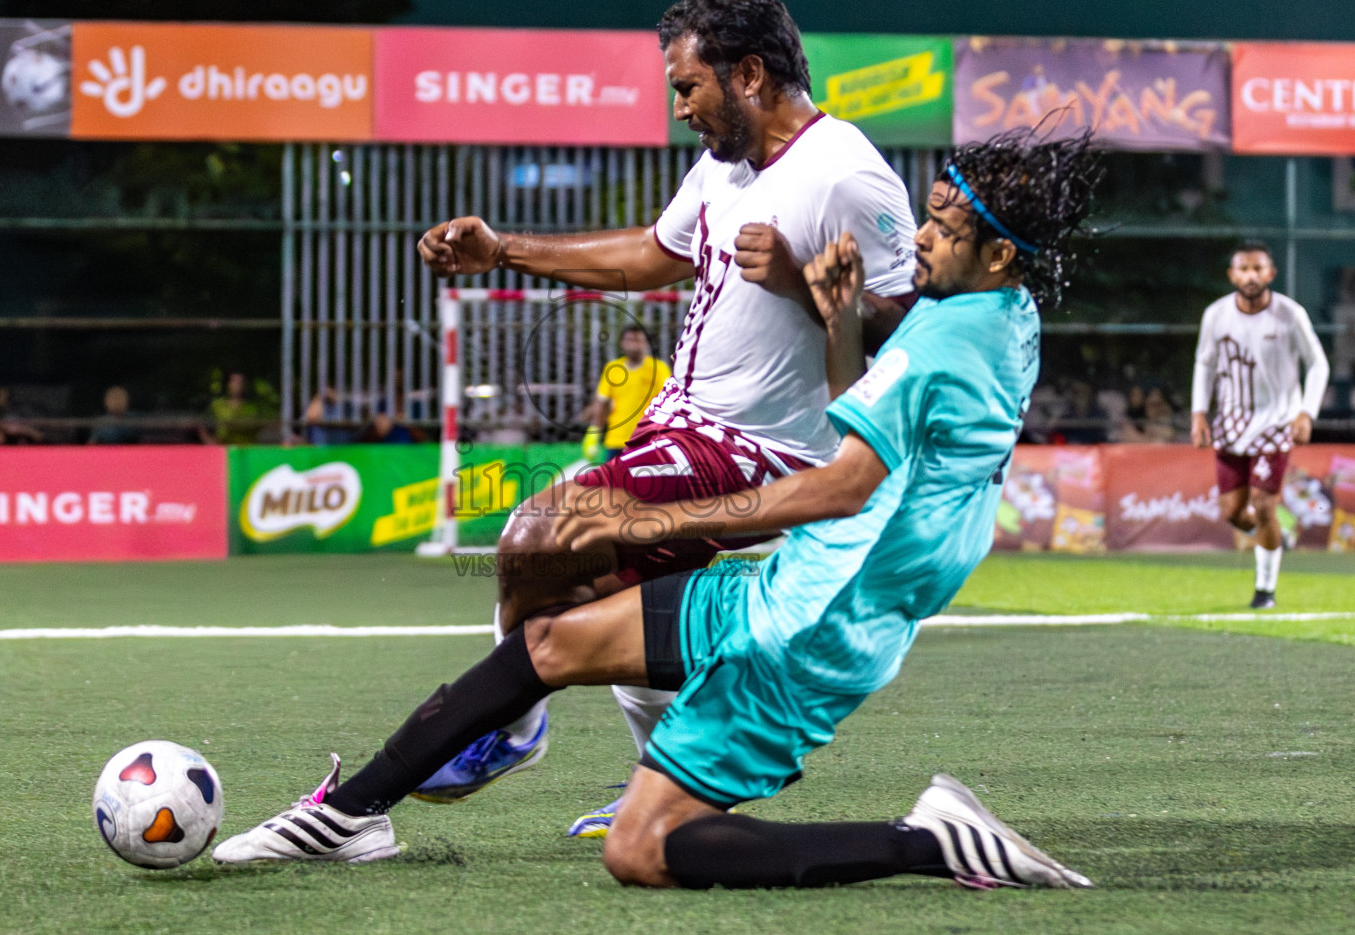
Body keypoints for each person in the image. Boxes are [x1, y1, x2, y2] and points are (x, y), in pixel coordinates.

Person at [213, 129, 1104, 892]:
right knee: (554, 642)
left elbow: (840, 485)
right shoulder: (1006, 312)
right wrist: (833, 320)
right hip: (805, 585)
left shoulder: (945, 331)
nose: (917, 238)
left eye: (943, 229)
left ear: (999, 254)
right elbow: (865, 434)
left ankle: (927, 842)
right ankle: (351, 814)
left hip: (816, 627)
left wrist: (651, 525)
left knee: (641, 849)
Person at [409, 0, 922, 827]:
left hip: (758, 451)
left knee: (538, 536)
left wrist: (803, 285)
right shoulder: (726, 166)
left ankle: (509, 722)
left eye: (689, 86)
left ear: (750, 74)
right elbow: (654, 254)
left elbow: (908, 335)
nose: (680, 106)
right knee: (617, 605)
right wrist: (504, 249)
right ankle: (674, 779)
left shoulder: (849, 176)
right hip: (680, 427)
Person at [1190, 242, 1329, 609]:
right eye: (1243, 269)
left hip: (1276, 423)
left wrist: (1306, 413)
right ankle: (1273, 537)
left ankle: (1265, 590)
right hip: (1231, 425)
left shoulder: (1289, 314)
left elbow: (1318, 364)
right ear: (1232, 275)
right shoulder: (1216, 315)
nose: (1251, 275)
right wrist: (1198, 412)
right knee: (1233, 512)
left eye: (1258, 269)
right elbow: (1204, 364)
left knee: (1264, 504)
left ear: (1270, 274)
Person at [581, 325, 671, 463]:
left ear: (646, 343)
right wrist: (593, 433)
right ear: (622, 343)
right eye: (629, 340)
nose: (634, 344)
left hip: (647, 441)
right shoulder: (613, 369)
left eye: (638, 340)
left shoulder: (658, 369)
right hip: (616, 440)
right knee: (611, 484)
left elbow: (669, 402)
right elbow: (602, 403)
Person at [199, 371, 264, 445]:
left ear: (244, 385)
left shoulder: (253, 408)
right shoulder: (217, 405)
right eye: (234, 381)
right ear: (228, 384)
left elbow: (260, 427)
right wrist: (208, 440)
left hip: (248, 449)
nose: (237, 385)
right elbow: (201, 422)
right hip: (224, 449)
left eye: (240, 382)